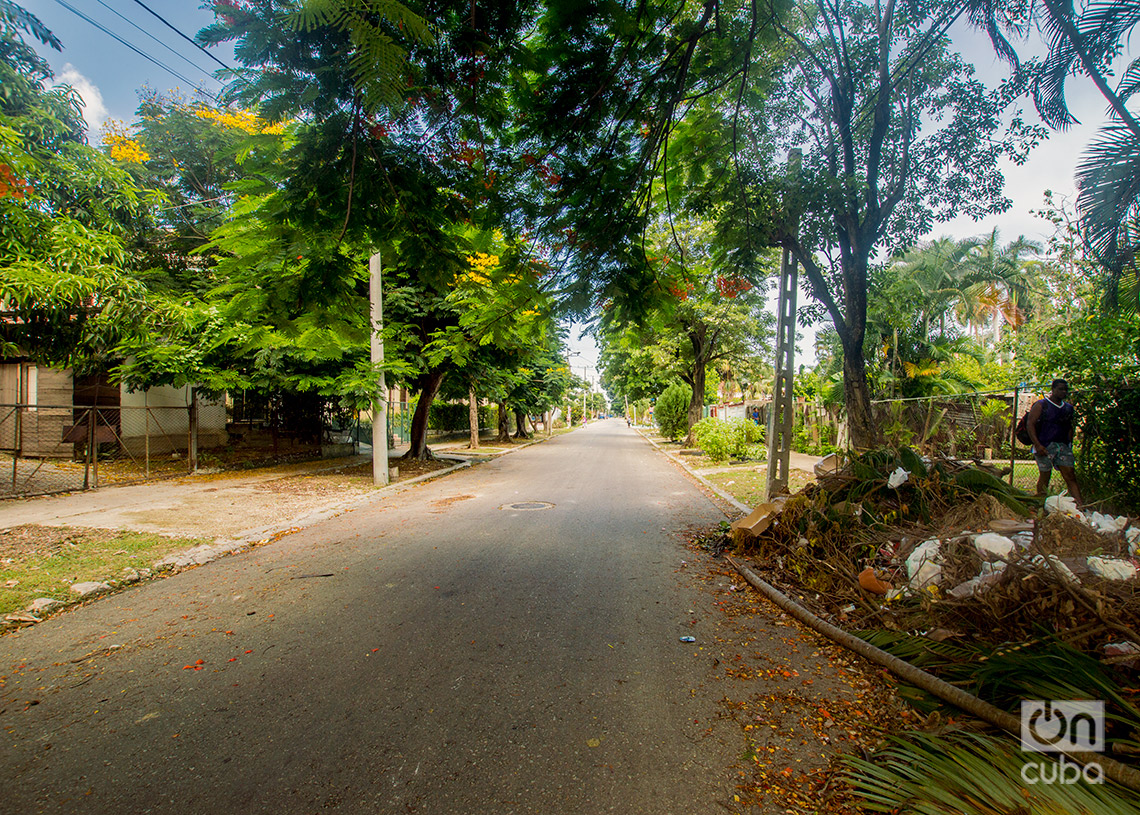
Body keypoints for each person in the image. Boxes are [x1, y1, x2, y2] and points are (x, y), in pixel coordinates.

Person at [1026, 378, 1083, 505]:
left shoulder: (1068, 408)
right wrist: (1037, 444)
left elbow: (1069, 427)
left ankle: (1080, 505)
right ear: (1053, 390)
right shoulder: (1041, 405)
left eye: (1065, 390)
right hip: (1044, 445)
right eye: (1060, 389)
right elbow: (1030, 424)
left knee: (1070, 475)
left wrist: (1069, 445)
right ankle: (1041, 504)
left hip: (1062, 445)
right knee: (1045, 476)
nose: (1063, 392)